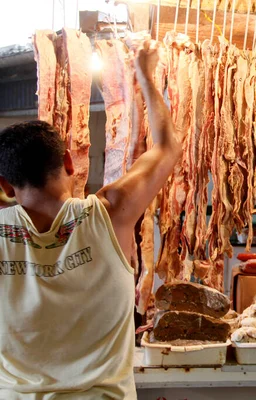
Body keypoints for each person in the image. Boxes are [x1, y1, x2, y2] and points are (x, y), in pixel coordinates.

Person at [0, 41, 181, 399]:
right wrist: (144, 75)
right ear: (69, 163)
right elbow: (165, 148)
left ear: (5, 186)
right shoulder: (111, 213)